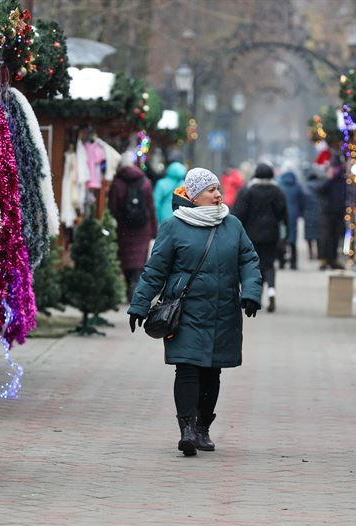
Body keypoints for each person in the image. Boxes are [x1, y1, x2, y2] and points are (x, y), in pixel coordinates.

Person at [127, 168, 262, 456]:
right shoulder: (174, 226)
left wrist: (251, 292)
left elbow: (248, 260)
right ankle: (186, 429)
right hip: (185, 312)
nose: (217, 195)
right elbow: (155, 270)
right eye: (210, 190)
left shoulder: (232, 225)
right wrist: (140, 304)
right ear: (193, 195)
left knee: (212, 371)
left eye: (218, 190)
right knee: (187, 367)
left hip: (223, 311)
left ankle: (202, 427)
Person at [233, 163, 288, 312]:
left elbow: (238, 214)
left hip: (251, 235)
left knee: (252, 265)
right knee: (269, 264)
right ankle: (271, 291)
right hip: (271, 235)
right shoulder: (277, 192)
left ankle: (252, 296)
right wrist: (285, 237)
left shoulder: (248, 191)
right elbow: (283, 215)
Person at [108, 160, 158, 300]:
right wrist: (154, 229)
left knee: (126, 257)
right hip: (143, 227)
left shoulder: (117, 183)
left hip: (124, 227)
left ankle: (128, 283)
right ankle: (135, 284)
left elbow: (113, 207)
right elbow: (151, 207)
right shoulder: (145, 182)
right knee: (139, 258)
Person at [317, 157, 348, 270]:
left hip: (338, 213)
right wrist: (329, 178)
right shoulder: (329, 181)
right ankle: (325, 259)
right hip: (328, 213)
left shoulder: (343, 180)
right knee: (326, 237)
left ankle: (333, 259)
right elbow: (320, 190)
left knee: (335, 237)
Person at [277, 166, 305, 270]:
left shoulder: (279, 185)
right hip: (293, 214)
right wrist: (300, 213)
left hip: (282, 214)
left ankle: (281, 261)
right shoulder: (297, 186)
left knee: (282, 237)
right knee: (293, 239)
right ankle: (293, 262)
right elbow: (302, 200)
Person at [302, 167, 324, 260]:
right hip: (319, 214)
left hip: (308, 215)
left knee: (309, 236)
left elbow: (302, 203)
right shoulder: (321, 188)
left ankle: (310, 253)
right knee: (319, 235)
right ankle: (319, 254)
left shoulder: (306, 189)